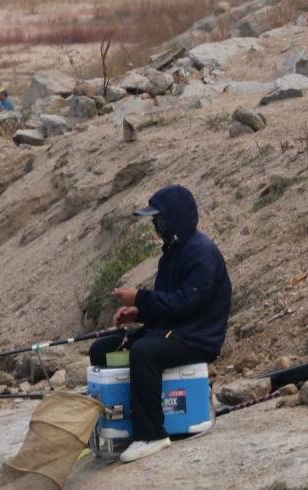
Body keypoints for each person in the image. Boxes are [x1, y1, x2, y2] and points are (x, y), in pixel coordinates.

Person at [90, 184, 231, 464]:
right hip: (173, 330)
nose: (156, 225)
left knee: (144, 353)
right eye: (154, 220)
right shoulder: (172, 252)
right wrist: (137, 314)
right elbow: (168, 305)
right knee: (102, 350)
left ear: (176, 217)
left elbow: (187, 303)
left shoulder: (201, 252)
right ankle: (122, 426)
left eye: (160, 219)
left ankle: (152, 434)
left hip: (197, 338)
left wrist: (140, 297)